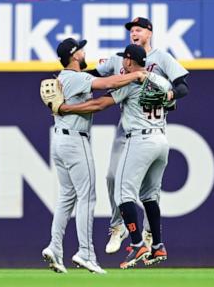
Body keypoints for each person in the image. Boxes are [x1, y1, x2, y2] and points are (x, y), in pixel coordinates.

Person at [60, 44, 172, 269]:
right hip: (161, 139)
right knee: (150, 196)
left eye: (124, 60)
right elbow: (172, 101)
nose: (122, 63)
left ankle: (138, 244)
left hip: (140, 139)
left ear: (129, 61)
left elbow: (100, 104)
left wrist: (66, 109)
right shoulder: (162, 81)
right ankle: (158, 246)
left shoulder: (131, 81)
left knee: (122, 195)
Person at [41, 38, 146, 274]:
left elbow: (93, 105)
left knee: (66, 197)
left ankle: (55, 248)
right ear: (74, 55)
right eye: (80, 49)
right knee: (87, 197)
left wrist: (66, 108)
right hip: (75, 141)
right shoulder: (76, 77)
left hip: (58, 139)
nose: (84, 51)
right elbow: (108, 83)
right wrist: (135, 76)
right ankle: (85, 253)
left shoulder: (62, 78)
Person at [88, 17, 189, 254]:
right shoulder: (119, 60)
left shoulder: (161, 59)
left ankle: (141, 239)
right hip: (133, 128)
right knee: (114, 178)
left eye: (139, 29)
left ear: (149, 33)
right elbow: (94, 74)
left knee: (130, 190)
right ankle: (120, 228)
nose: (134, 32)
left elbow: (183, 87)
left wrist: (170, 96)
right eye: (131, 30)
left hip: (144, 130)